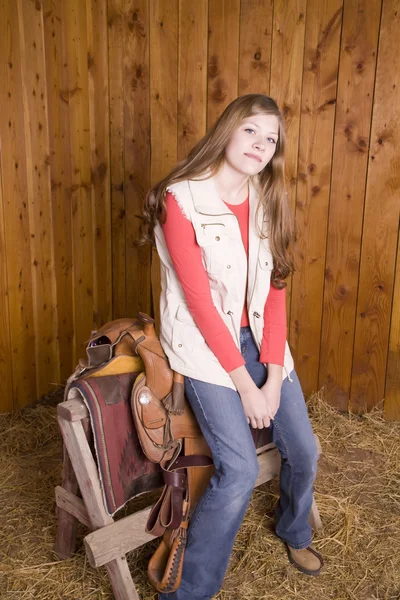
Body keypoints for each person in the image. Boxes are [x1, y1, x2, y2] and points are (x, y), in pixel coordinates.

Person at [141, 94, 323, 600]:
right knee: (239, 468)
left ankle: (293, 529)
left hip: (261, 341)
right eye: (251, 131)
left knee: (305, 450)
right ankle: (188, 592)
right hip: (203, 344)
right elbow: (200, 304)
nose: (261, 145)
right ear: (227, 130)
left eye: (271, 139)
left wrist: (270, 371)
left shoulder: (269, 199)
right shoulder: (181, 200)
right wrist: (246, 386)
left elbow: (277, 293)